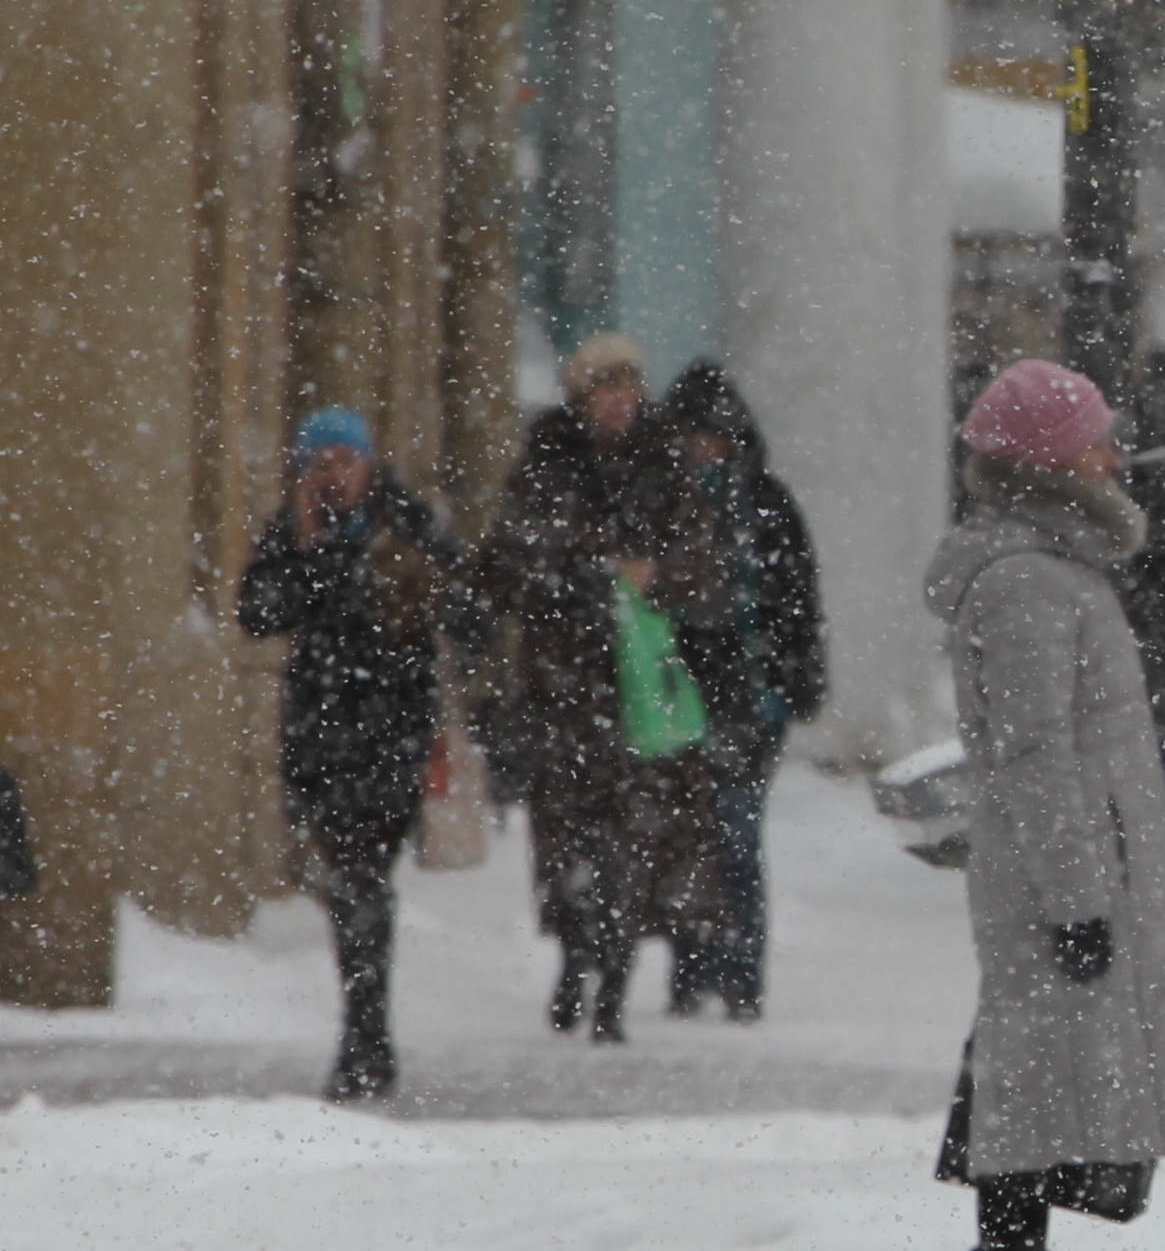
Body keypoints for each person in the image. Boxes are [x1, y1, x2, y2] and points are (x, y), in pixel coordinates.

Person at [925, 361, 1165, 1251]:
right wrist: (1076, 895)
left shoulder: (1055, 569)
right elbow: (1033, 751)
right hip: (1059, 876)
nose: (1115, 455)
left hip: (1080, 865)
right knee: (1029, 1076)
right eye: (1095, 441)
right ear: (1049, 465)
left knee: (1044, 1071)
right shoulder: (1027, 583)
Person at [479, 334, 730, 1043]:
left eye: (629, 385)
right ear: (581, 395)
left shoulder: (664, 465)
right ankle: (574, 954)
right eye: (606, 386)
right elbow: (505, 562)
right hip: (561, 685)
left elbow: (704, 563)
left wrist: (657, 574)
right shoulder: (545, 464)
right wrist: (570, 572)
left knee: (632, 840)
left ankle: (614, 974)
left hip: (637, 688)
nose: (621, 399)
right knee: (564, 837)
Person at [236, 408, 460, 1100]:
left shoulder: (407, 523)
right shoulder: (294, 533)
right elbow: (258, 612)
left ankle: (365, 1033)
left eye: (343, 461)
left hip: (390, 731)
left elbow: (452, 611)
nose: (333, 476)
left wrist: (434, 730)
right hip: (323, 737)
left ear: (368, 463)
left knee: (363, 881)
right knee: (351, 884)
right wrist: (306, 546)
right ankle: (367, 1030)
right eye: (319, 464)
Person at [652, 363, 827, 1021]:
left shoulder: (767, 506)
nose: (704, 452)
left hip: (748, 699)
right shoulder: (669, 505)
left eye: (712, 439)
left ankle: (737, 971)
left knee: (733, 832)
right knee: (692, 838)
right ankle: (695, 967)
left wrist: (795, 680)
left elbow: (798, 603)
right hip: (681, 695)